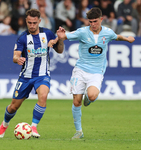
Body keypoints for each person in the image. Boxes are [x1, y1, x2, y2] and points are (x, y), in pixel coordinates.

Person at [55, 7, 135, 139]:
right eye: (90, 22)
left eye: (95, 21)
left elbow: (117, 37)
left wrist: (127, 39)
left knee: (92, 96)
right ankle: (79, 131)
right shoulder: (82, 32)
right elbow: (65, 36)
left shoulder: (108, 32)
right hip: (80, 70)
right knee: (76, 102)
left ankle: (88, 98)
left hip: (97, 71)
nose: (93, 24)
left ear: (101, 19)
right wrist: (60, 35)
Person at [0, 8, 64, 138]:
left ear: (39, 21)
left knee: (43, 96)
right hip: (26, 77)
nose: (32, 26)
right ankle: (4, 124)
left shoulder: (48, 34)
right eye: (29, 23)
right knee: (13, 107)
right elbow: (14, 56)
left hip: (43, 75)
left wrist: (59, 39)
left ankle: (34, 127)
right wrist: (18, 59)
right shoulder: (22, 37)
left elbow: (60, 50)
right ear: (26, 22)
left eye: (34, 23)